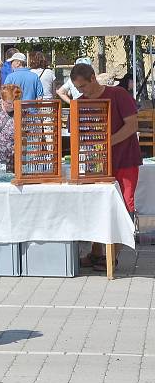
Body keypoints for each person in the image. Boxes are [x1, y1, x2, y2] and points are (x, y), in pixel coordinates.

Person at [70, 64, 141, 271]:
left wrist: (107, 142)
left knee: (123, 207)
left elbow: (132, 124)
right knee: (96, 206)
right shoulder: (79, 103)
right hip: (97, 164)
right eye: (78, 88)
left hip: (125, 161)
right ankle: (96, 252)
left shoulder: (118, 94)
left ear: (93, 78)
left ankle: (113, 255)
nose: (81, 91)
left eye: (83, 86)